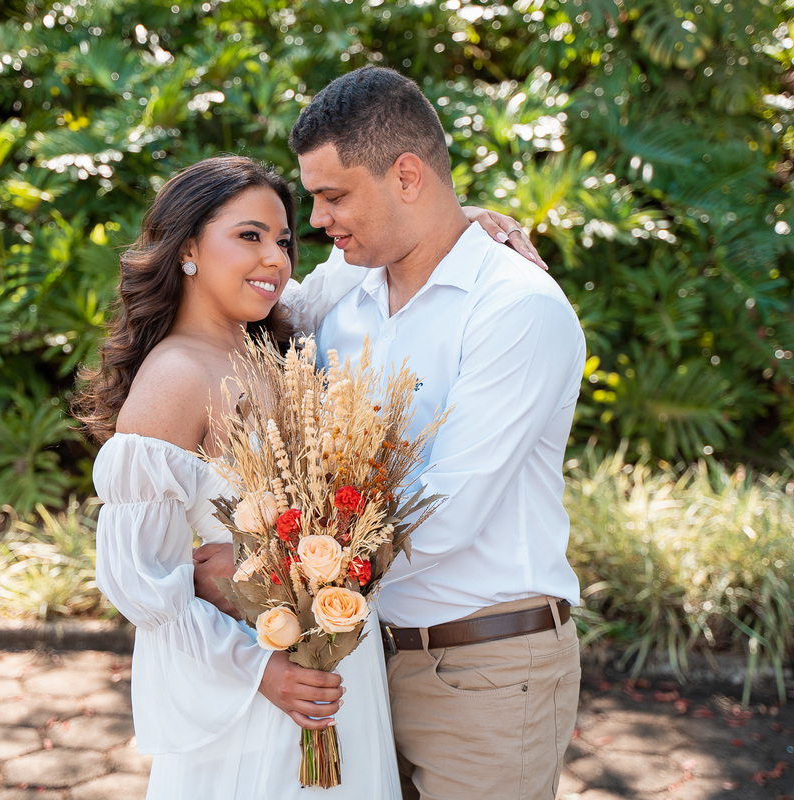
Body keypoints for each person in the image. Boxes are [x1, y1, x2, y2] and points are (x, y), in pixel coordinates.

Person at [75, 154, 530, 798]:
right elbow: (138, 578)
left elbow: (343, 271)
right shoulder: (176, 375)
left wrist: (459, 220)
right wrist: (261, 673)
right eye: (249, 236)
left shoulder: (275, 342)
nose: (275, 260)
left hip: (338, 669)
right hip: (265, 688)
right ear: (187, 250)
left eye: (284, 241)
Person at [195, 66, 584, 799]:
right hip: (356, 661)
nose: (317, 221)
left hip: (487, 671)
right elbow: (235, 312)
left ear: (407, 176)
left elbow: (446, 512)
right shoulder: (343, 295)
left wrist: (262, 568)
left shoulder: (516, 308)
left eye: (334, 196)